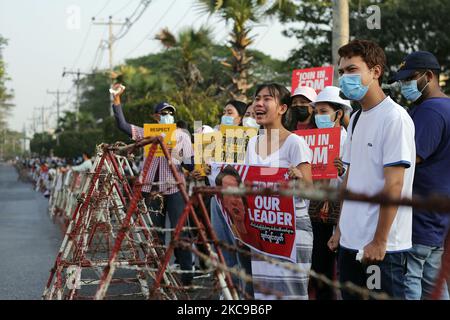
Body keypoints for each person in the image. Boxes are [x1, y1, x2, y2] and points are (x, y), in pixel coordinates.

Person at [328, 39, 416, 300]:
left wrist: (379, 240)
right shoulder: (355, 118)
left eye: (352, 70)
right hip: (349, 243)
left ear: (375, 72)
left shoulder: (394, 118)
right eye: (342, 72)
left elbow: (394, 185)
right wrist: (340, 229)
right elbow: (350, 179)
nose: (345, 78)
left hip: (382, 249)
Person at [111, 84, 195, 286]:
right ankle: (160, 276)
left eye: (170, 113)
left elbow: (190, 165)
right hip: (152, 190)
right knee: (155, 235)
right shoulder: (145, 133)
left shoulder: (182, 135)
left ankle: (187, 278)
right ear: (155, 117)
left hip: (174, 188)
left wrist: (175, 153)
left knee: (179, 231)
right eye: (163, 113)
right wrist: (116, 99)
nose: (167, 116)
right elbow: (122, 125)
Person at [389, 51, 450, 300]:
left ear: (429, 76)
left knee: (409, 277)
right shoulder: (444, 106)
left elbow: (409, 158)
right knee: (433, 282)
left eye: (409, 79)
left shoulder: (430, 111)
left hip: (419, 212)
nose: (405, 86)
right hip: (436, 212)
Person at [245, 83, 313, 300]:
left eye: (267, 99)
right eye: (257, 98)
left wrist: (299, 178)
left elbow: (309, 190)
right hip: (261, 230)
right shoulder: (252, 143)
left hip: (291, 232)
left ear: (282, 108)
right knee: (265, 293)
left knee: (291, 293)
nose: (259, 104)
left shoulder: (295, 142)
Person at [307, 86, 351, 300]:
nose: (318, 116)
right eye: (316, 112)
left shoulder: (348, 140)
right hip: (317, 212)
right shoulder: (311, 141)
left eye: (323, 111)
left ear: (339, 113)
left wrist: (342, 171)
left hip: (342, 213)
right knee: (320, 265)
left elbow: (354, 179)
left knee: (343, 267)